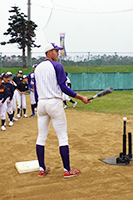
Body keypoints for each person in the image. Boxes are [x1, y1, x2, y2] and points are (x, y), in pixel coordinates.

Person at [35, 43, 91, 178]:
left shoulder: (37, 68)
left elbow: (37, 90)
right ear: (49, 52)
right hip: (54, 102)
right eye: (56, 51)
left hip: (41, 103)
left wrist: (38, 104)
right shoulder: (57, 66)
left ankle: (42, 168)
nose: (58, 53)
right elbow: (63, 88)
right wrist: (80, 97)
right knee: (62, 136)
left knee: (41, 137)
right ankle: (67, 170)